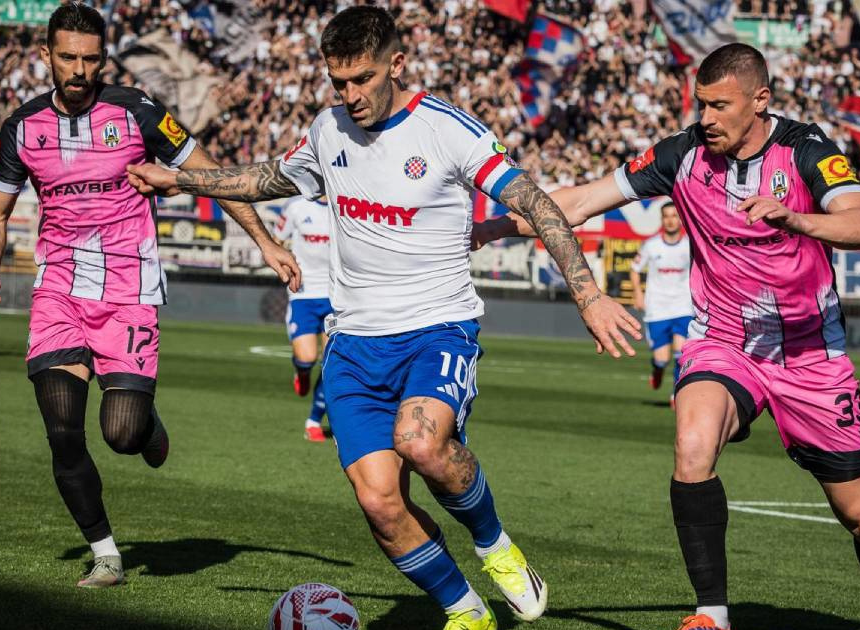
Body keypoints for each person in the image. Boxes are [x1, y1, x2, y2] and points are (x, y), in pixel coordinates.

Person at [125, 7, 640, 629]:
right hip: (353, 343)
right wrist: (182, 181)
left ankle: (496, 545)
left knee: (422, 445)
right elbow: (267, 178)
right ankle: (466, 611)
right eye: (338, 82)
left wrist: (588, 295)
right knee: (378, 502)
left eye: (362, 79)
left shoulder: (447, 129)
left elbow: (536, 203)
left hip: (437, 329)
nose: (350, 95)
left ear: (396, 65)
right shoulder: (327, 129)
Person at [473, 43, 860, 630]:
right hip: (723, 341)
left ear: (760, 100)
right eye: (702, 104)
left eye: (720, 106)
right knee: (693, 446)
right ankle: (711, 615)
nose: (707, 118)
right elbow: (584, 199)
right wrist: (492, 227)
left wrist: (797, 219)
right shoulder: (682, 153)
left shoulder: (806, 149)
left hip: (810, 354)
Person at [0, 3, 300, 589]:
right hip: (58, 289)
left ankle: (146, 424)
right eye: (67, 58)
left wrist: (266, 241)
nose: (79, 70)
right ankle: (106, 555)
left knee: (121, 434)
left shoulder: (138, 111)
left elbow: (208, 173)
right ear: (46, 55)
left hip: (128, 289)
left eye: (90, 59)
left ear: (104, 59)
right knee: (62, 429)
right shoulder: (22, 127)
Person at [273, 195, 333, 442]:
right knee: (307, 357)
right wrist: (285, 267)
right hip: (303, 294)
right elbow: (276, 242)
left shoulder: (345, 202)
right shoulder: (296, 206)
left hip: (336, 295)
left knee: (332, 364)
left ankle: (314, 421)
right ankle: (302, 370)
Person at [629, 202, 692, 403]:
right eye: (666, 216)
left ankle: (676, 395)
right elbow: (634, 270)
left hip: (683, 306)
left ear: (680, 219)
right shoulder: (651, 245)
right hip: (657, 308)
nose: (671, 220)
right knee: (662, 359)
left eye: (674, 215)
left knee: (681, 353)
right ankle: (657, 370)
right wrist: (638, 294)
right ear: (662, 220)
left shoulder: (690, 244)